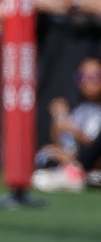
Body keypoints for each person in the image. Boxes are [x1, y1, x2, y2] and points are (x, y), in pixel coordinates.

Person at [33, 57, 101, 192]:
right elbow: (64, 142)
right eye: (82, 77)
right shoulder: (81, 110)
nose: (87, 83)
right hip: (76, 161)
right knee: (46, 154)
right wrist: (58, 120)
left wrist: (74, 131)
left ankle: (78, 173)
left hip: (91, 165)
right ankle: (73, 172)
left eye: (94, 77)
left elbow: (95, 148)